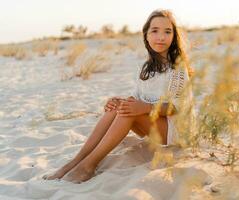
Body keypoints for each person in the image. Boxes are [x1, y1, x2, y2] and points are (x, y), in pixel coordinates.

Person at [43, 9, 193, 183]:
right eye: (155, 31)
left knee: (127, 112)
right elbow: (137, 98)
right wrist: (119, 101)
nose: (161, 37)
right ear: (146, 35)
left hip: (175, 129)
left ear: (174, 36)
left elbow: (177, 107)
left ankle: (88, 166)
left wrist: (144, 107)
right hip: (153, 125)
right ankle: (74, 162)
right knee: (119, 107)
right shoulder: (145, 67)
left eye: (168, 32)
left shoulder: (176, 68)